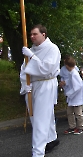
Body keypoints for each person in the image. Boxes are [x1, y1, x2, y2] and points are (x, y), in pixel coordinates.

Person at [19, 24, 61, 156]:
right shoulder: (32, 49)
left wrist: (32, 57)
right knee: (39, 117)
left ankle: (37, 152)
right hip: (33, 86)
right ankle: (51, 140)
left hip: (46, 85)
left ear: (43, 34)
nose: (32, 37)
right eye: (30, 34)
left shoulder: (52, 49)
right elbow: (24, 69)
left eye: (34, 34)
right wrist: (25, 84)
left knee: (40, 119)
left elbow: (46, 69)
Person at [59, 56, 83, 135]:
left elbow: (78, 86)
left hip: (76, 97)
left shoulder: (74, 74)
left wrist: (69, 93)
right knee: (69, 112)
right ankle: (72, 126)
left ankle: (81, 127)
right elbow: (70, 82)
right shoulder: (71, 73)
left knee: (78, 113)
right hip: (72, 97)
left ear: (67, 66)